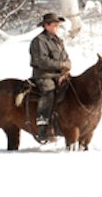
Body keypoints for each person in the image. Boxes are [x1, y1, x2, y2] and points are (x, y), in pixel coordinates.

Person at [29, 11, 71, 142]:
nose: (57, 27)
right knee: (48, 92)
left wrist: (67, 65)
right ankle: (42, 127)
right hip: (44, 75)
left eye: (57, 25)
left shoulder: (58, 41)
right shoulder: (38, 41)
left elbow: (65, 57)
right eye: (54, 25)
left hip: (59, 75)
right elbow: (41, 61)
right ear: (46, 26)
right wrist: (60, 65)